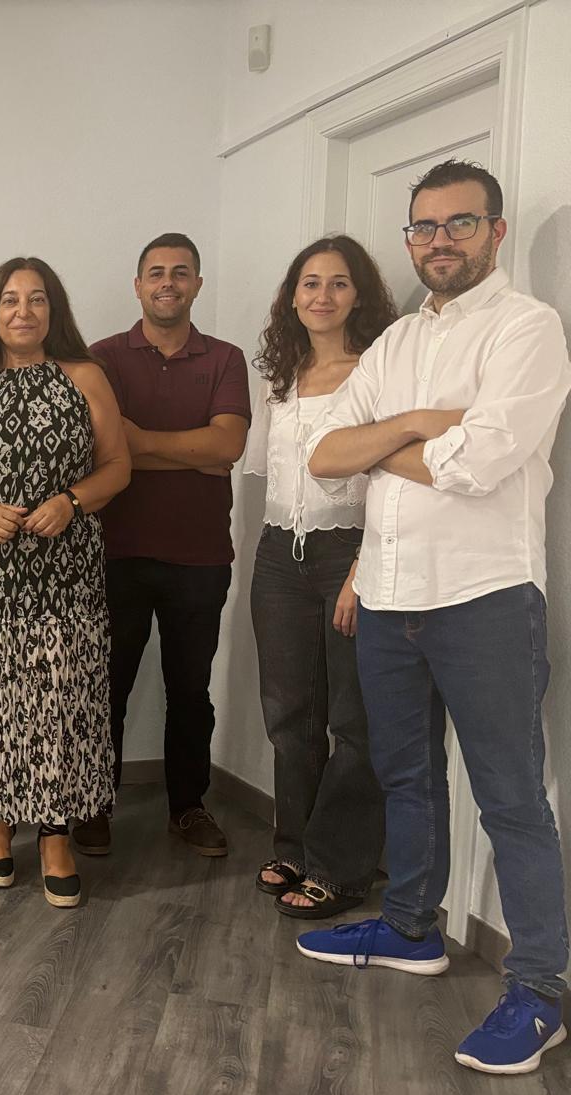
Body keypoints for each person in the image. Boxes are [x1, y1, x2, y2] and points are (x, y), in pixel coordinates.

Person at [299, 160, 571, 1075]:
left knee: (511, 799)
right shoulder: (396, 344)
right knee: (405, 776)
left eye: (459, 224)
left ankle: (539, 989)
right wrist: (420, 423)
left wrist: (390, 449)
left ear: (494, 231)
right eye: (423, 228)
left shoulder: (529, 329)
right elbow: (326, 454)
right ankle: (414, 927)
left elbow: (482, 463)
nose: (439, 241)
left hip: (486, 597)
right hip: (388, 594)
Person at [0, 258, 130, 903]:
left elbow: (119, 466)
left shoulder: (85, 375)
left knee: (60, 702)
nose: (23, 311)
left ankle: (56, 834)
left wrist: (71, 500)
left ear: (53, 310)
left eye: (37, 300)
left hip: (63, 574)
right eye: (10, 300)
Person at [81, 233, 251, 858]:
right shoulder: (100, 359)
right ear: (138, 285)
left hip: (200, 557)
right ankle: (95, 808)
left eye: (181, 272)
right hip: (114, 552)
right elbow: (102, 453)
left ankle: (188, 807)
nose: (168, 283)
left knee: (190, 691)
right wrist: (189, 449)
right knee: (106, 689)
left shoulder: (226, 359)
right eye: (156, 272)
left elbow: (226, 448)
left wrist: (137, 445)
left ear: (198, 284)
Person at [244, 238, 399, 918]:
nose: (323, 296)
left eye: (338, 284)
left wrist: (361, 572)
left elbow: (393, 482)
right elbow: (267, 479)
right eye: (310, 283)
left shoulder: (377, 374)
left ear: (358, 296)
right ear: (293, 297)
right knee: (287, 719)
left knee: (353, 722)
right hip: (280, 555)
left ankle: (342, 867)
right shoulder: (281, 379)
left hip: (350, 554)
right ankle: (294, 848)